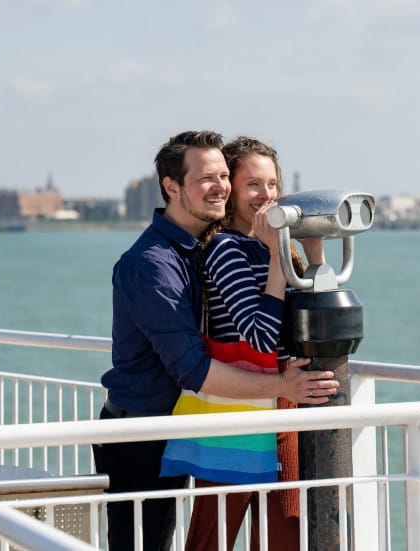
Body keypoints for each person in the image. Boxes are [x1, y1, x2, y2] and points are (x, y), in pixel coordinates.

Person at [93, 130, 338, 551]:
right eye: (208, 177)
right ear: (172, 187)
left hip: (189, 417)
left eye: (224, 175)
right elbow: (194, 369)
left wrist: (305, 250)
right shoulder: (154, 264)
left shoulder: (200, 247)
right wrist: (282, 385)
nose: (220, 187)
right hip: (141, 431)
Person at [164, 137, 322, 551]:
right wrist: (275, 257)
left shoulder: (278, 249)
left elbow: (311, 322)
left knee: (284, 536)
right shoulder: (224, 248)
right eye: (253, 184)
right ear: (232, 190)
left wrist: (314, 253)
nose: (265, 194)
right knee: (211, 539)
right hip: (234, 412)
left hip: (285, 408)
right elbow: (260, 336)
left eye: (271, 184)